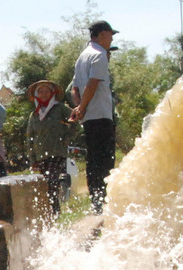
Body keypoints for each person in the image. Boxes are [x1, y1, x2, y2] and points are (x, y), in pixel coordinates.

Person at [70, 20, 118, 212]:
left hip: (89, 117)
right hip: (100, 114)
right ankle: (103, 201)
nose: (111, 38)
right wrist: (82, 107)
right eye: (110, 34)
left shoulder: (82, 57)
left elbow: (74, 88)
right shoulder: (99, 55)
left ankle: (96, 201)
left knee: (93, 160)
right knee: (105, 160)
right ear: (102, 34)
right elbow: (93, 84)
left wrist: (79, 107)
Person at [26, 79, 76, 216]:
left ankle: (55, 212)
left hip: (57, 152)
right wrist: (32, 160)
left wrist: (67, 137)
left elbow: (75, 119)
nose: (43, 94)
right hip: (40, 155)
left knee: (51, 181)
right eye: (40, 91)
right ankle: (51, 211)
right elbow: (30, 138)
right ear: (36, 94)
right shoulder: (34, 114)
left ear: (52, 93)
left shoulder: (59, 108)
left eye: (46, 91)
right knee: (45, 185)